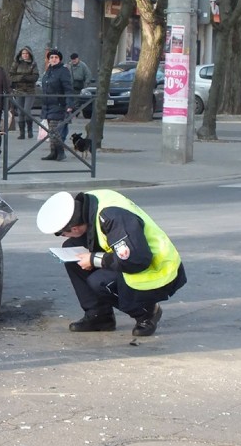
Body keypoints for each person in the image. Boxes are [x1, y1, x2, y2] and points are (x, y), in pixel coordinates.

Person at [36, 190, 186, 336]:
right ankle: (99, 316)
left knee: (100, 282)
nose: (62, 237)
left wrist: (94, 259)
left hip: (157, 268)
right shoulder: (91, 202)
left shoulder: (113, 217)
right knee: (72, 249)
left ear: (74, 228)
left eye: (61, 233)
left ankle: (147, 312)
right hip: (134, 254)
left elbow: (135, 260)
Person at [39, 49, 73, 161]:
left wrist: (69, 104)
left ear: (59, 59)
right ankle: (53, 152)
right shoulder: (48, 71)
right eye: (52, 57)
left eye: (56, 58)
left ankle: (60, 151)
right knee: (50, 130)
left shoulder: (63, 71)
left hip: (58, 104)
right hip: (48, 104)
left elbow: (68, 88)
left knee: (54, 129)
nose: (53, 59)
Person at [8, 46, 39, 139]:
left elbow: (35, 77)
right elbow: (11, 76)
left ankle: (29, 130)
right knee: (20, 111)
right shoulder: (16, 63)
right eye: (23, 53)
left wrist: (24, 77)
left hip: (30, 91)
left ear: (30, 54)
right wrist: (20, 78)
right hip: (19, 90)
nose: (25, 55)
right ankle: (22, 133)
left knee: (27, 110)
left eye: (26, 53)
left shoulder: (33, 64)